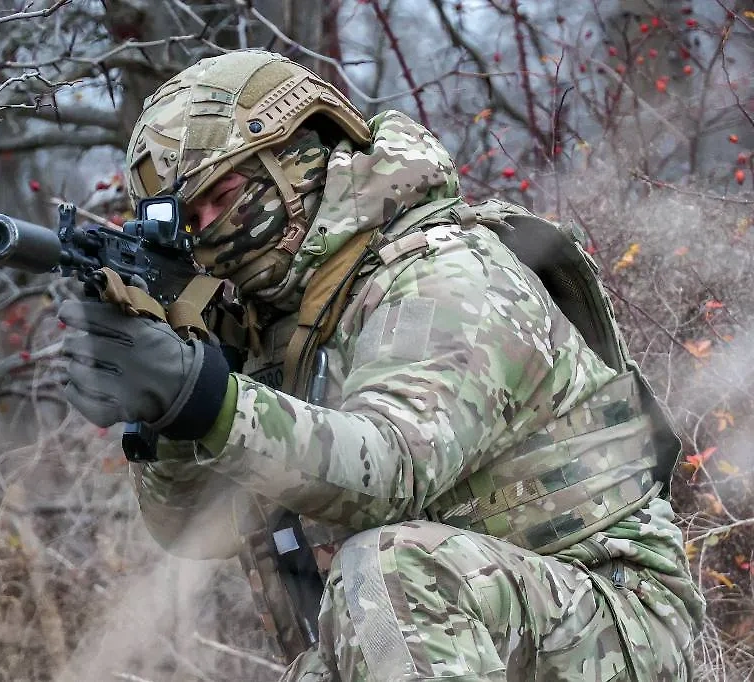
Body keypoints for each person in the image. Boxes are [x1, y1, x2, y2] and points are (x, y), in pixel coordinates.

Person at [57, 50, 704, 681]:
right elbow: (197, 530)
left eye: (222, 195)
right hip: (459, 634)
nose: (212, 230)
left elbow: (394, 469)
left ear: (295, 156)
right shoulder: (270, 322)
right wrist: (167, 413)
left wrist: (208, 399)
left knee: (390, 574)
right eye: (192, 221)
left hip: (612, 623)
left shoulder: (448, 275)